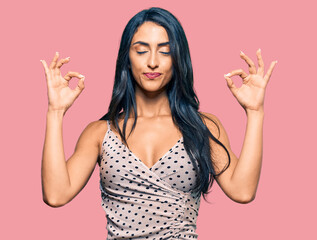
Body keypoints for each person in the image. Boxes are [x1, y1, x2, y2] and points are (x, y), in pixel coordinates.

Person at [40, 7, 276, 240]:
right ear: (127, 58)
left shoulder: (202, 127)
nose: (152, 62)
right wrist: (55, 111)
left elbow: (242, 191)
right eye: (141, 51)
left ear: (178, 58)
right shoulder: (100, 133)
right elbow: (56, 195)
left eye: (165, 51)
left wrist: (255, 112)